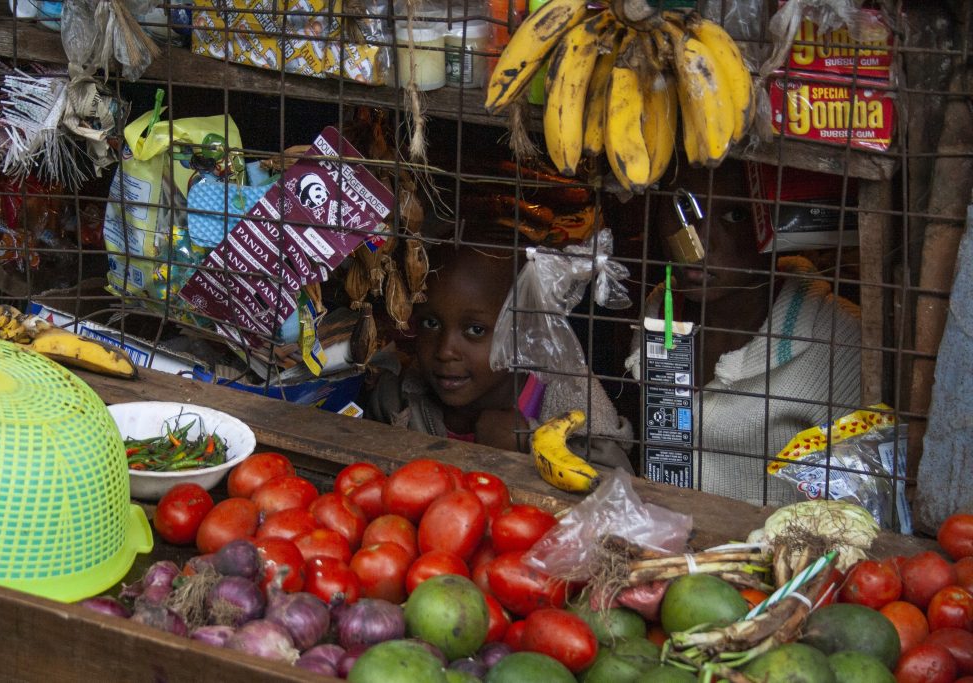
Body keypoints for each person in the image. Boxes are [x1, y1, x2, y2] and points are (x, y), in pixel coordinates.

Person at [625, 161, 862, 507]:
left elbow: (862, 496)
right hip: (662, 545)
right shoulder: (659, 310)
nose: (700, 242)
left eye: (735, 215)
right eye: (684, 208)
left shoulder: (835, 334)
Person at [367, 241, 633, 469]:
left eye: (475, 329)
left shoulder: (574, 400)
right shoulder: (397, 397)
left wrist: (528, 445)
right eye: (430, 324)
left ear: (524, 329)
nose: (445, 351)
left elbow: (617, 492)